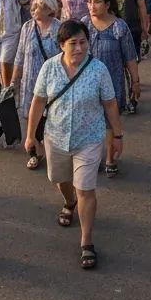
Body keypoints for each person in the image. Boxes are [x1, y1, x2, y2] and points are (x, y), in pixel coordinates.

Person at [24, 20, 124, 270]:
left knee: (86, 189)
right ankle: (69, 203)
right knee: (60, 179)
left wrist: (118, 136)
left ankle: (86, 241)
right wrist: (30, 136)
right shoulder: (49, 68)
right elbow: (38, 102)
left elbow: (110, 104)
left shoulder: (98, 69)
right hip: (55, 136)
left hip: (89, 139)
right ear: (61, 45)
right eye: (73, 44)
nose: (79, 48)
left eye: (83, 42)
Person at [85, 0, 139, 177]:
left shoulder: (119, 27)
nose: (92, 6)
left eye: (97, 2)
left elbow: (130, 57)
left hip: (113, 81)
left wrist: (135, 82)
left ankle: (109, 157)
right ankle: (93, 157)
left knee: (110, 121)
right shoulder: (84, 25)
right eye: (89, 2)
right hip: (88, 83)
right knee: (91, 120)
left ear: (107, 5)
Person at [11, 0, 62, 170]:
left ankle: (51, 149)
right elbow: (20, 55)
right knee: (30, 117)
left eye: (38, 7)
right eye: (33, 6)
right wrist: (14, 80)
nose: (33, 10)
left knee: (50, 117)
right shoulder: (27, 27)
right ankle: (34, 152)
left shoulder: (59, 28)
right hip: (30, 82)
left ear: (49, 9)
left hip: (52, 84)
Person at [104, 0, 149, 84]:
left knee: (133, 60)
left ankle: (134, 81)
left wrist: (144, 29)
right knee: (117, 60)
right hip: (113, 31)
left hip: (132, 30)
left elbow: (141, 7)